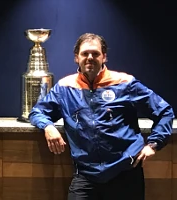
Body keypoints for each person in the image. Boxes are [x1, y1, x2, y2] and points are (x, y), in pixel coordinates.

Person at [28, 33, 175, 200]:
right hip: (86, 176)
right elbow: (37, 112)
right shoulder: (64, 87)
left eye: (95, 53)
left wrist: (154, 144)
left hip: (125, 173)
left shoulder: (124, 83)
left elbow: (164, 111)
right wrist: (48, 127)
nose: (90, 57)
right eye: (85, 54)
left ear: (104, 56)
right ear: (77, 57)